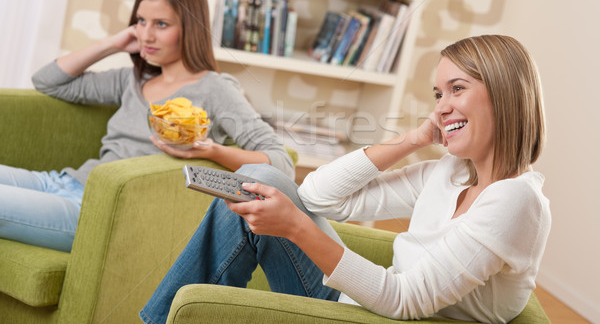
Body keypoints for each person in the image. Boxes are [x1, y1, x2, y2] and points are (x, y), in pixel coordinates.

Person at [140, 34, 551, 324]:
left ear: (503, 93)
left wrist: (296, 228)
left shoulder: (515, 201)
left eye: (456, 89)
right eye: (438, 95)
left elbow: (405, 301)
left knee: (257, 193)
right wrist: (411, 139)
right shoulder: (454, 172)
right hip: (364, 301)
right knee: (257, 178)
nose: (442, 107)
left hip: (387, 317)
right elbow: (320, 197)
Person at [0, 0, 293, 253]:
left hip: (96, 212)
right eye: (141, 21)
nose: (146, 35)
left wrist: (211, 151)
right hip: (64, 182)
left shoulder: (215, 89)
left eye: (161, 24)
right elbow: (47, 81)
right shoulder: (133, 79)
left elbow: (280, 162)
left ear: (190, 29)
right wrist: (113, 43)